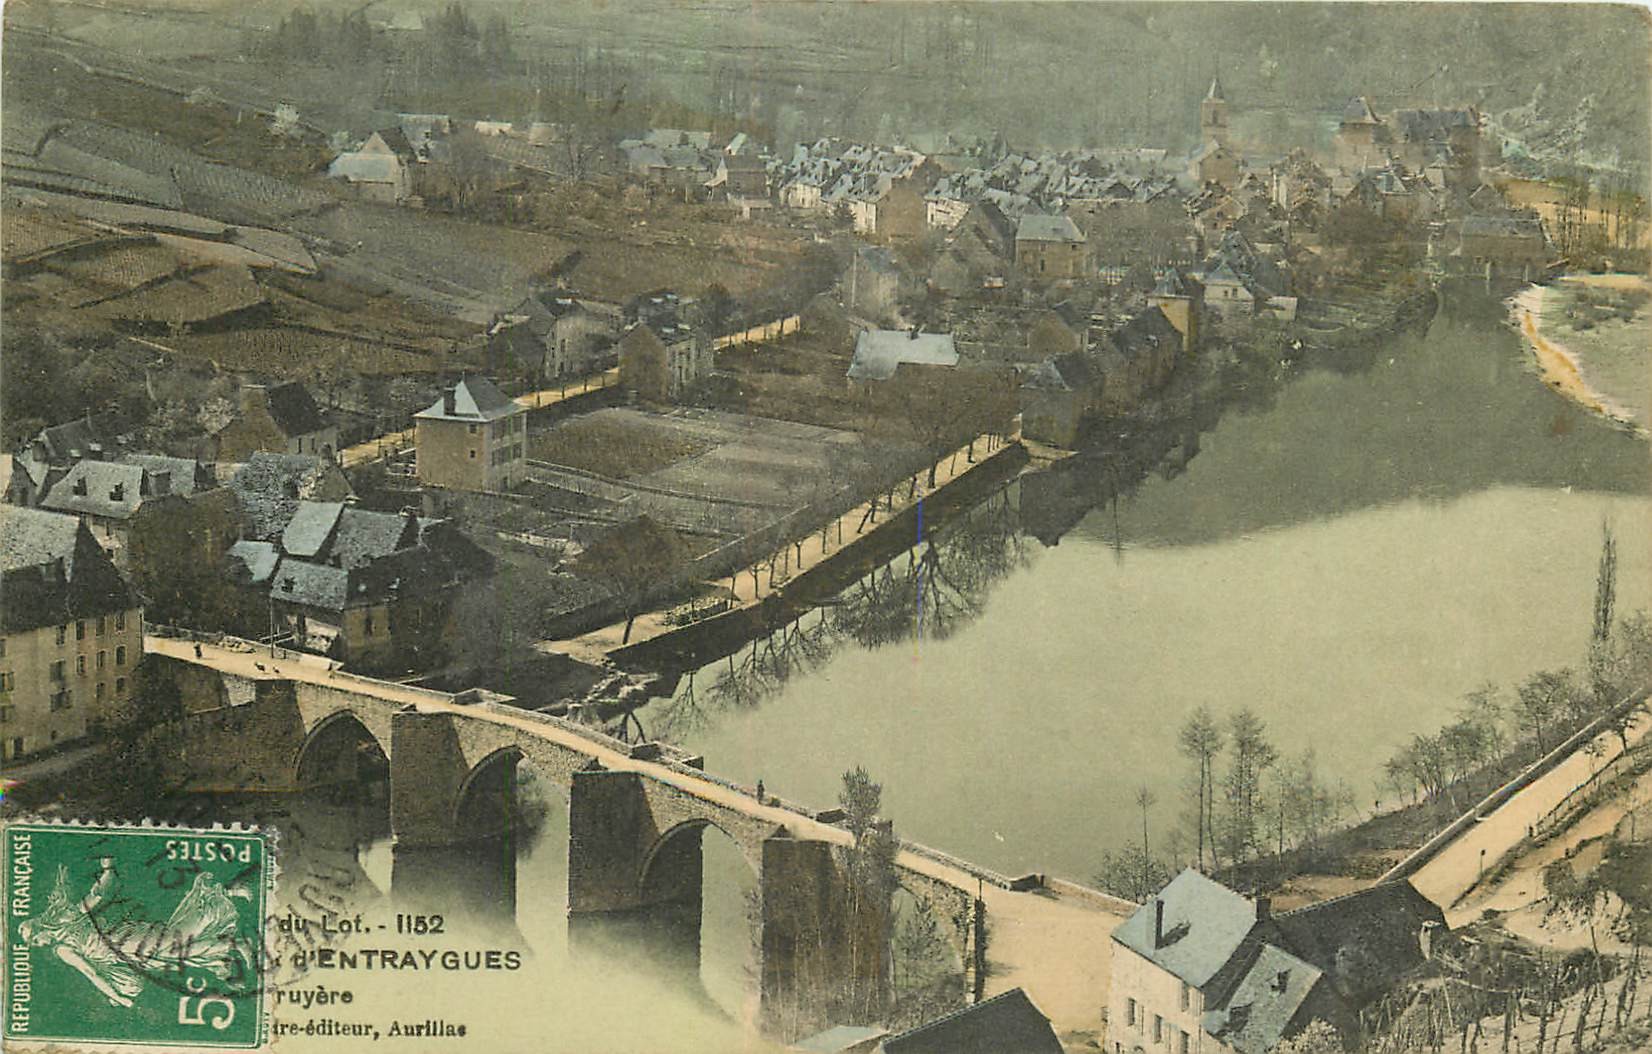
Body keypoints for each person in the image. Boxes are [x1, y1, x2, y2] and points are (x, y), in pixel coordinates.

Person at [20, 859, 255, 1009]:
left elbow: (91, 973)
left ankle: (231, 942)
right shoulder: (68, 922)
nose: (40, 945)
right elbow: (96, 899)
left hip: (126, 943)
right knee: (176, 949)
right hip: (127, 947)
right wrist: (108, 869)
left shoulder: (62, 947)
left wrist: (121, 999)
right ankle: (224, 934)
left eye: (36, 941)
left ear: (41, 929)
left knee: (176, 945)